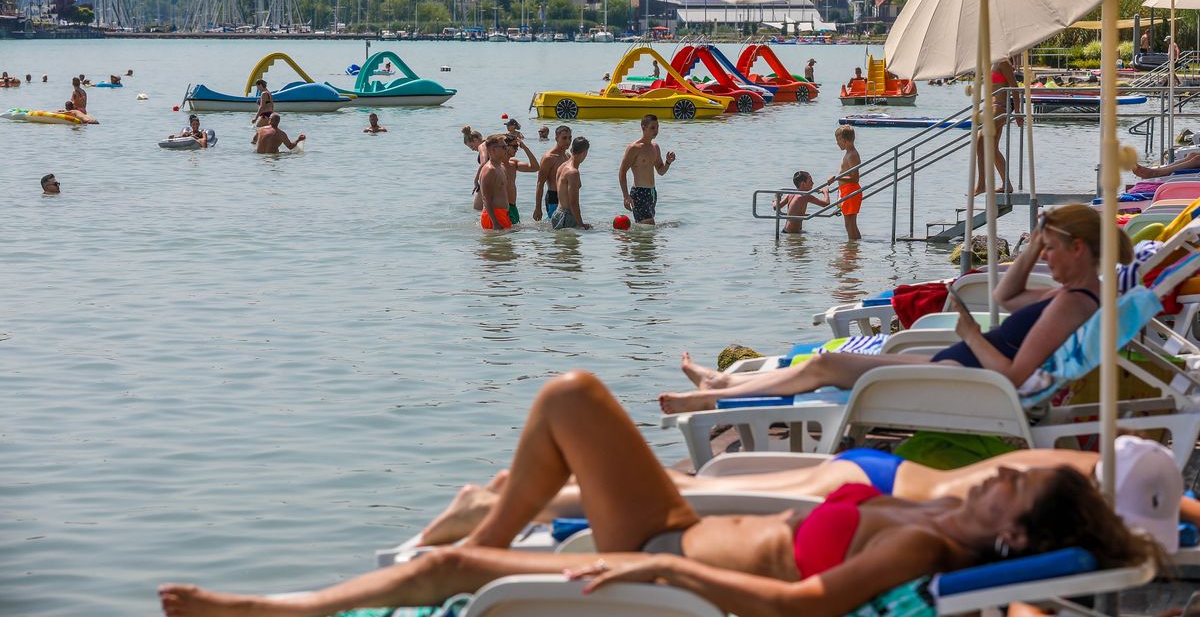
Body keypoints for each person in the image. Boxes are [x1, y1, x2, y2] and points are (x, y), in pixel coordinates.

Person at [157, 371, 1159, 617]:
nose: (1007, 467)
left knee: (449, 557)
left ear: (1015, 525)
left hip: (671, 571)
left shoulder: (926, 552)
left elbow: (797, 605)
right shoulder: (937, 518)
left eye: (1016, 478)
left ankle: (265, 609)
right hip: (676, 527)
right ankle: (492, 558)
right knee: (571, 398)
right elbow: (785, 526)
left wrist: (645, 563)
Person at [659, 204, 1126, 413]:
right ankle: (725, 383)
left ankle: (714, 396)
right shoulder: (1077, 297)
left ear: (1080, 249)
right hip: (957, 368)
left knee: (827, 364)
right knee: (828, 365)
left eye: (1050, 251)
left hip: (973, 381)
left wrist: (968, 336)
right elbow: (1005, 297)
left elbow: (1013, 376)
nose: (1045, 258)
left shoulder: (1070, 305)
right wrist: (1034, 244)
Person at [414, 437, 1186, 552]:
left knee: (686, 484)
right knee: (687, 495)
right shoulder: (1078, 488)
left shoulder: (1075, 460)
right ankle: (515, 504)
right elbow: (1176, 512)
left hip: (878, 471)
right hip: (874, 486)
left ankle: (521, 491)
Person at [619, 114, 676, 225]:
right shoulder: (634, 148)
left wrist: (668, 162)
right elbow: (622, 172)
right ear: (643, 128)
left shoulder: (655, 147)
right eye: (652, 128)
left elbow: (660, 171)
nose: (656, 131)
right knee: (649, 228)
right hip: (639, 193)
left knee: (646, 232)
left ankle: (629, 238)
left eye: (657, 127)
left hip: (652, 193)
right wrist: (626, 196)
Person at [976, 57, 1017, 195]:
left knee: (980, 140)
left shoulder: (1003, 63)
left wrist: (1018, 113)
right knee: (992, 149)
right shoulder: (990, 62)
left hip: (1001, 107)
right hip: (991, 108)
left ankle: (981, 184)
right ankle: (1007, 185)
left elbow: (1015, 87)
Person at [826, 125, 862, 239]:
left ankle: (853, 250)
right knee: (850, 224)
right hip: (846, 191)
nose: (837, 143)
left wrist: (837, 178)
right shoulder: (848, 153)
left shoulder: (852, 155)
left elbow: (855, 178)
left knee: (849, 224)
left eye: (838, 140)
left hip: (851, 191)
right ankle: (854, 247)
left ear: (844, 140)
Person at [533, 125, 571, 221]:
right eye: (564, 138)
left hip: (567, 197)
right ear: (556, 138)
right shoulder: (549, 158)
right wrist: (538, 208)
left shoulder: (568, 156)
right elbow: (540, 184)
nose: (568, 141)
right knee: (557, 230)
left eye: (570, 138)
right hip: (553, 197)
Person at [551, 137, 591, 230]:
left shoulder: (562, 166)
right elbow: (573, 203)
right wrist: (581, 224)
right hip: (566, 217)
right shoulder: (573, 172)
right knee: (572, 245)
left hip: (557, 213)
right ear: (584, 153)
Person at [502, 135, 539, 224]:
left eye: (517, 147)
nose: (516, 149)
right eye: (514, 146)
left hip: (513, 207)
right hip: (503, 207)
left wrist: (525, 148)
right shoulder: (496, 166)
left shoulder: (513, 164)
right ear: (505, 146)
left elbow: (535, 167)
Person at [478, 135, 513, 230]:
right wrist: (495, 223)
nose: (507, 149)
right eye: (504, 147)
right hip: (494, 216)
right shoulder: (490, 170)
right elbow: (486, 199)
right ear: (493, 150)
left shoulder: (500, 167)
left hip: (502, 214)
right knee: (499, 244)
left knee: (507, 244)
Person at [462, 126, 487, 211]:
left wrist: (476, 180)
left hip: (488, 181)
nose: (473, 149)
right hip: (492, 179)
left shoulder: (482, 146)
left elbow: (483, 163)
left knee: (477, 209)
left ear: (476, 140)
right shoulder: (489, 143)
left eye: (472, 147)